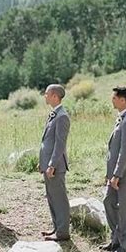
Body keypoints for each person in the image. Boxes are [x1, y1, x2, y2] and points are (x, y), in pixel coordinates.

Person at [101, 86, 126, 252]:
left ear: (123, 100)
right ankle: (116, 239)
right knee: (108, 201)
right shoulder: (121, 118)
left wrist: (117, 175)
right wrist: (110, 173)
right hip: (115, 173)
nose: (112, 100)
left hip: (124, 173)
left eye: (114, 97)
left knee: (125, 209)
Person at [38, 84, 71, 242]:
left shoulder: (62, 116)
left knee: (59, 198)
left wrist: (51, 164)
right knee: (51, 197)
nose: (45, 96)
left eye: (47, 94)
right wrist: (43, 162)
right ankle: (57, 228)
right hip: (48, 164)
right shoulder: (54, 114)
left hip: (56, 166)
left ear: (55, 96)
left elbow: (60, 144)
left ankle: (63, 231)